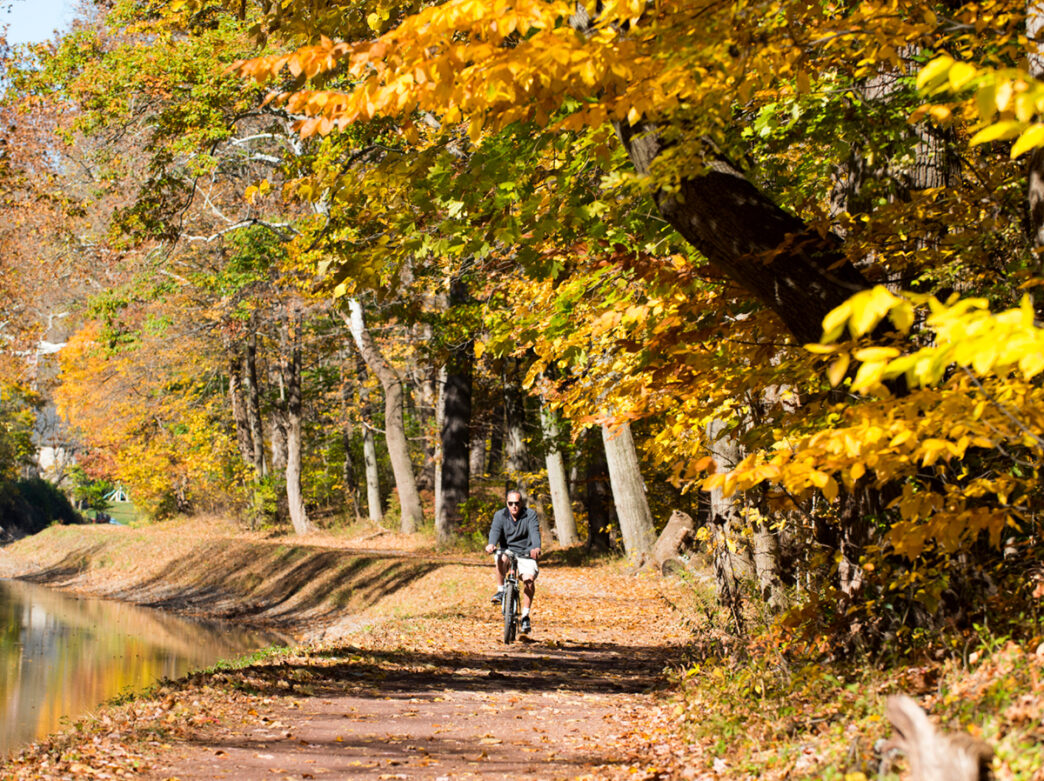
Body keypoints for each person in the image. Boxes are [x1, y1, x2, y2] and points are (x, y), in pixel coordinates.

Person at [485, 490, 541, 634]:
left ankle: (525, 615)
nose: (514, 506)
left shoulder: (530, 515)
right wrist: (491, 544)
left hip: (526, 552)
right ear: (507, 504)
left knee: (528, 581)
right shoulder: (500, 515)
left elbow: (534, 532)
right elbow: (495, 531)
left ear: (521, 503)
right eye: (511, 503)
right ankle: (500, 591)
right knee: (499, 557)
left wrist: (536, 547)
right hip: (508, 551)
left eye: (517, 503)